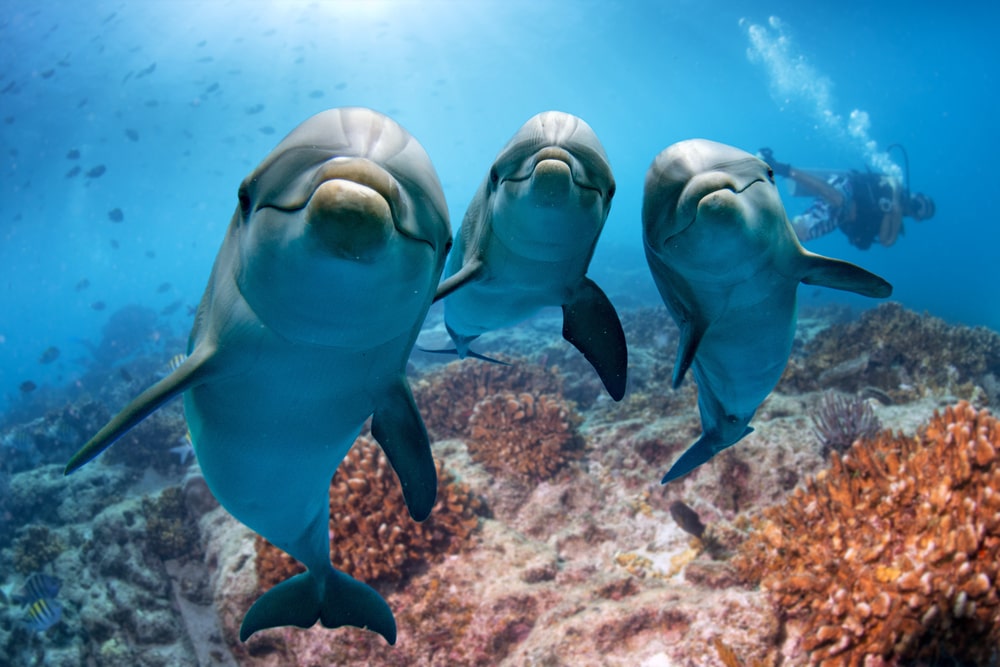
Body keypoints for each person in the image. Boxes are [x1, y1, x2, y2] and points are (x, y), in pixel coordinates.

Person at [758, 147, 935, 249]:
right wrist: (894, 194)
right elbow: (870, 182)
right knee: (839, 199)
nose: (914, 206)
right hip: (846, 187)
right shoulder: (893, 185)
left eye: (919, 210)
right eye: (918, 203)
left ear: (918, 218)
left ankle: (760, 224)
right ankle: (779, 167)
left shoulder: (896, 222)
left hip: (841, 215)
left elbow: (886, 241)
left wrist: (892, 212)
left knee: (802, 233)